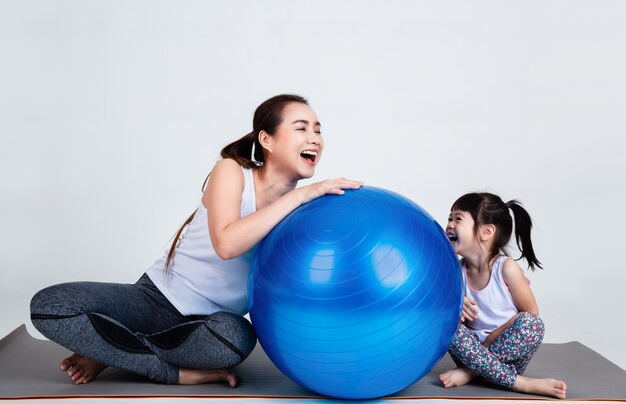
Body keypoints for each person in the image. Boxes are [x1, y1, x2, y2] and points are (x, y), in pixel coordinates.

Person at [30, 94, 363, 387]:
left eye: (318, 129)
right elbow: (226, 244)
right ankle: (165, 369)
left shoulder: (302, 213)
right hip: (153, 299)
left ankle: (112, 349)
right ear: (267, 139)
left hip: (207, 325)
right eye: (301, 127)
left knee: (236, 342)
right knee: (49, 306)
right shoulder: (232, 172)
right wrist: (299, 196)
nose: (315, 138)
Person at [438, 192, 567, 399]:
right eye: (449, 218)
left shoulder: (506, 268)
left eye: (458, 219)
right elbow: (438, 307)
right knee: (445, 321)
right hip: (469, 354)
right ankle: (519, 383)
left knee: (532, 325)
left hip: (506, 357)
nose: (450, 224)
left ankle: (472, 373)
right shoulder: (455, 271)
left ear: (486, 231)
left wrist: (481, 355)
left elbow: (530, 313)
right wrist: (455, 306)